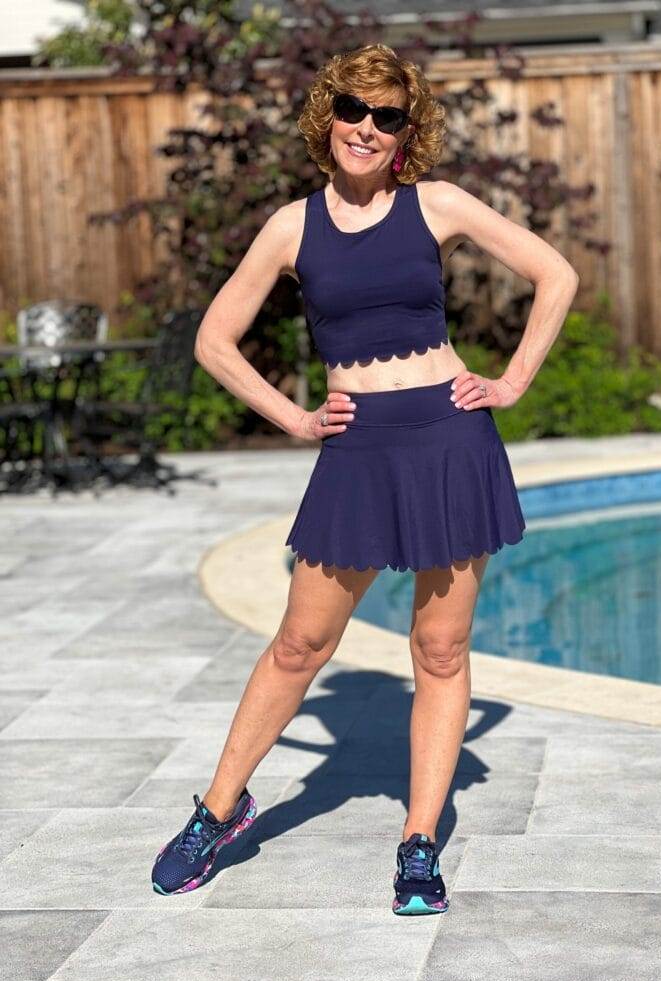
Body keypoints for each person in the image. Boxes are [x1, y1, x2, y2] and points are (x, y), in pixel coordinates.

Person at [151, 42, 579, 915]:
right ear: (330, 115)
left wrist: (512, 381)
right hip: (355, 451)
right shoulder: (290, 227)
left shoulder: (439, 204)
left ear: (404, 132)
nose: (368, 129)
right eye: (355, 109)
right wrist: (298, 419)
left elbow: (555, 274)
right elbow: (213, 341)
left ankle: (418, 844)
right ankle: (216, 812)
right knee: (300, 645)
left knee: (441, 651)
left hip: (449, 440)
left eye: (388, 117)